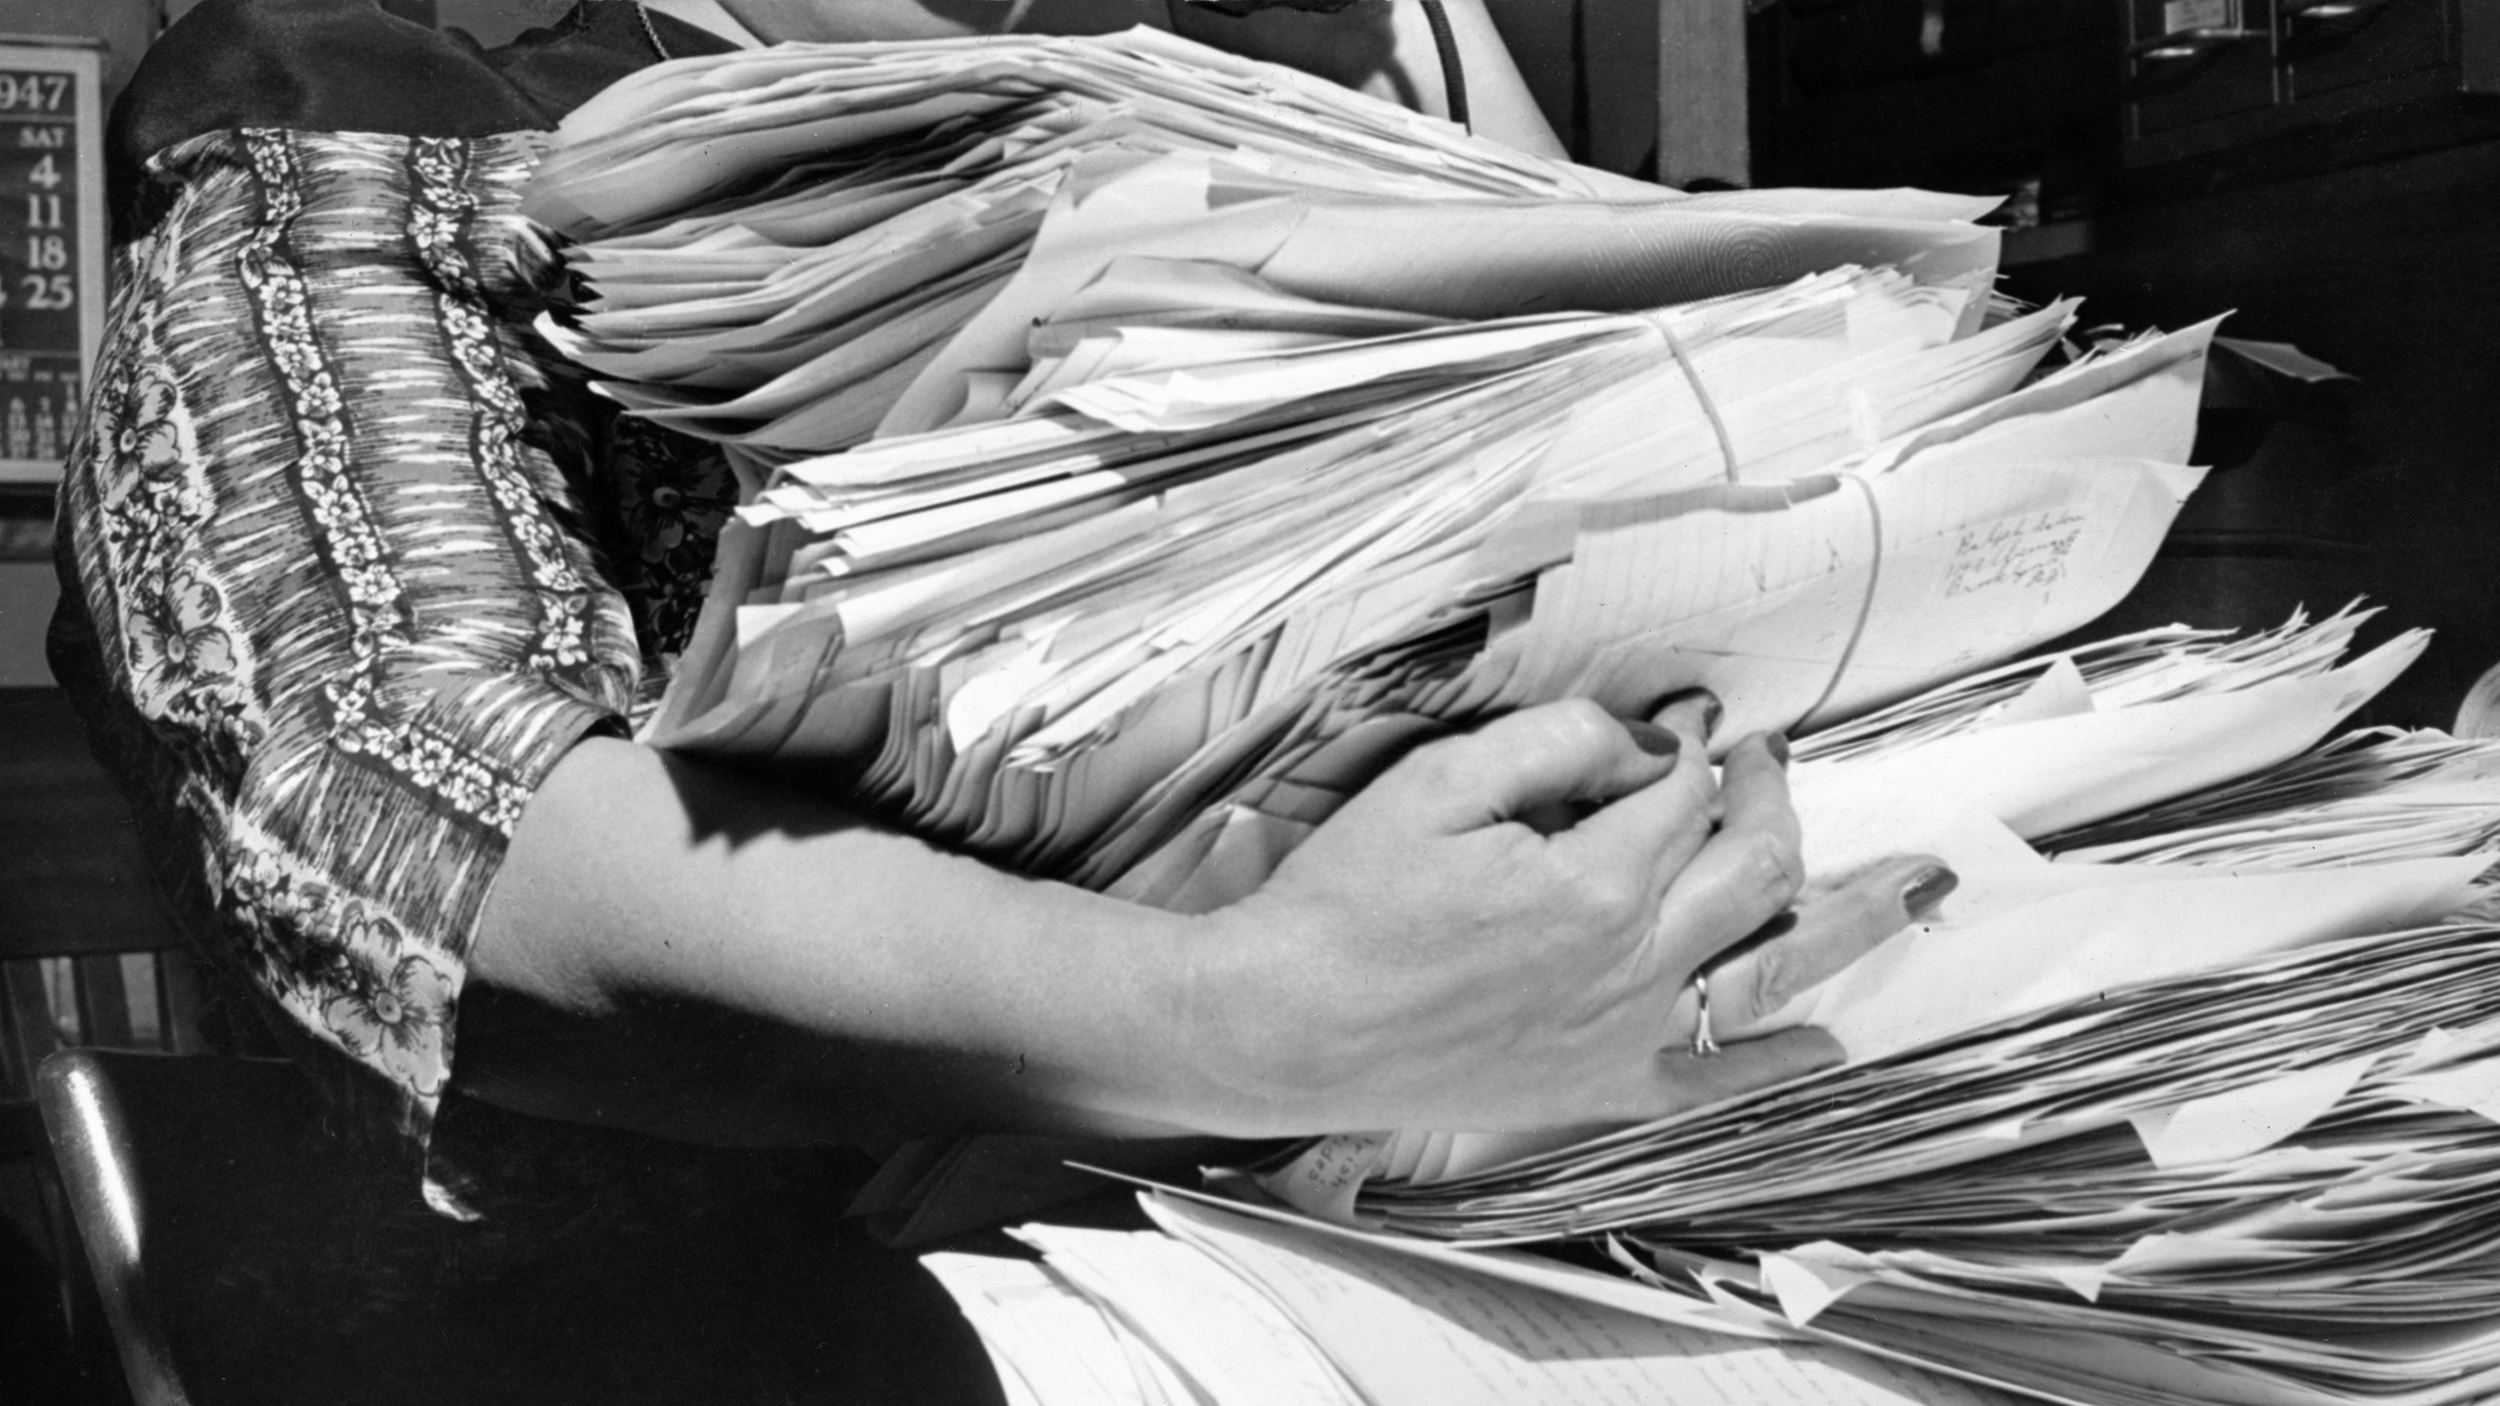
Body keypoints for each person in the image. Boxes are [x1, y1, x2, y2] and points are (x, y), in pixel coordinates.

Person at [51, 1, 1952, 1400]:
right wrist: (1237, 1017)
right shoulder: (386, 145)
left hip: (1519, 1258)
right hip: (739, 1343)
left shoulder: (1356, 88)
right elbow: (390, 775)